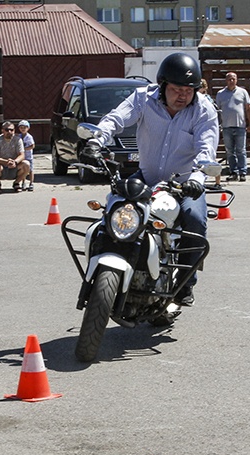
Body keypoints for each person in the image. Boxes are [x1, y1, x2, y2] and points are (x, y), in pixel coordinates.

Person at [88, 52, 219, 306]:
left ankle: (185, 282)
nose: (183, 95)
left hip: (183, 185)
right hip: (146, 178)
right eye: (176, 89)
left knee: (195, 219)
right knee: (111, 212)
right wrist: (96, 140)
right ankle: (105, 267)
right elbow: (116, 119)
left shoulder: (204, 110)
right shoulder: (143, 98)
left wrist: (198, 177)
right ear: (162, 85)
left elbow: (206, 150)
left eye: (188, 90)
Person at [215, 72, 250, 182]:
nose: (231, 81)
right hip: (227, 127)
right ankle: (233, 172)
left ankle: (242, 172)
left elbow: (248, 108)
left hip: (240, 126)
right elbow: (216, 111)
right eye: (229, 79)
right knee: (229, 151)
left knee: (241, 150)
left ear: (236, 80)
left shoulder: (243, 92)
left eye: (233, 79)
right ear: (226, 81)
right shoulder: (220, 93)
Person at [0, 121, 29, 193]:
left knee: (26, 164)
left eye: (12, 130)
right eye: (7, 130)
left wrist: (15, 162)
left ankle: (17, 183)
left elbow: (22, 155)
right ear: (2, 130)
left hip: (15, 166)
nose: (9, 132)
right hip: (1, 167)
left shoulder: (18, 140)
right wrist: (6, 161)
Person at [197, 80, 221, 188]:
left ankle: (217, 182)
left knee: (210, 155)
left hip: (208, 130)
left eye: (200, 87)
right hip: (203, 129)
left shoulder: (206, 99)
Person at [16, 120, 35, 192]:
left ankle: (31, 183)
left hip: (28, 156)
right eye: (21, 127)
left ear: (28, 128)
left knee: (30, 170)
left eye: (25, 127)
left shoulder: (29, 137)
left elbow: (32, 146)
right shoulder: (19, 136)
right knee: (23, 170)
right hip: (22, 157)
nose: (23, 129)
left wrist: (24, 149)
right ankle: (23, 182)